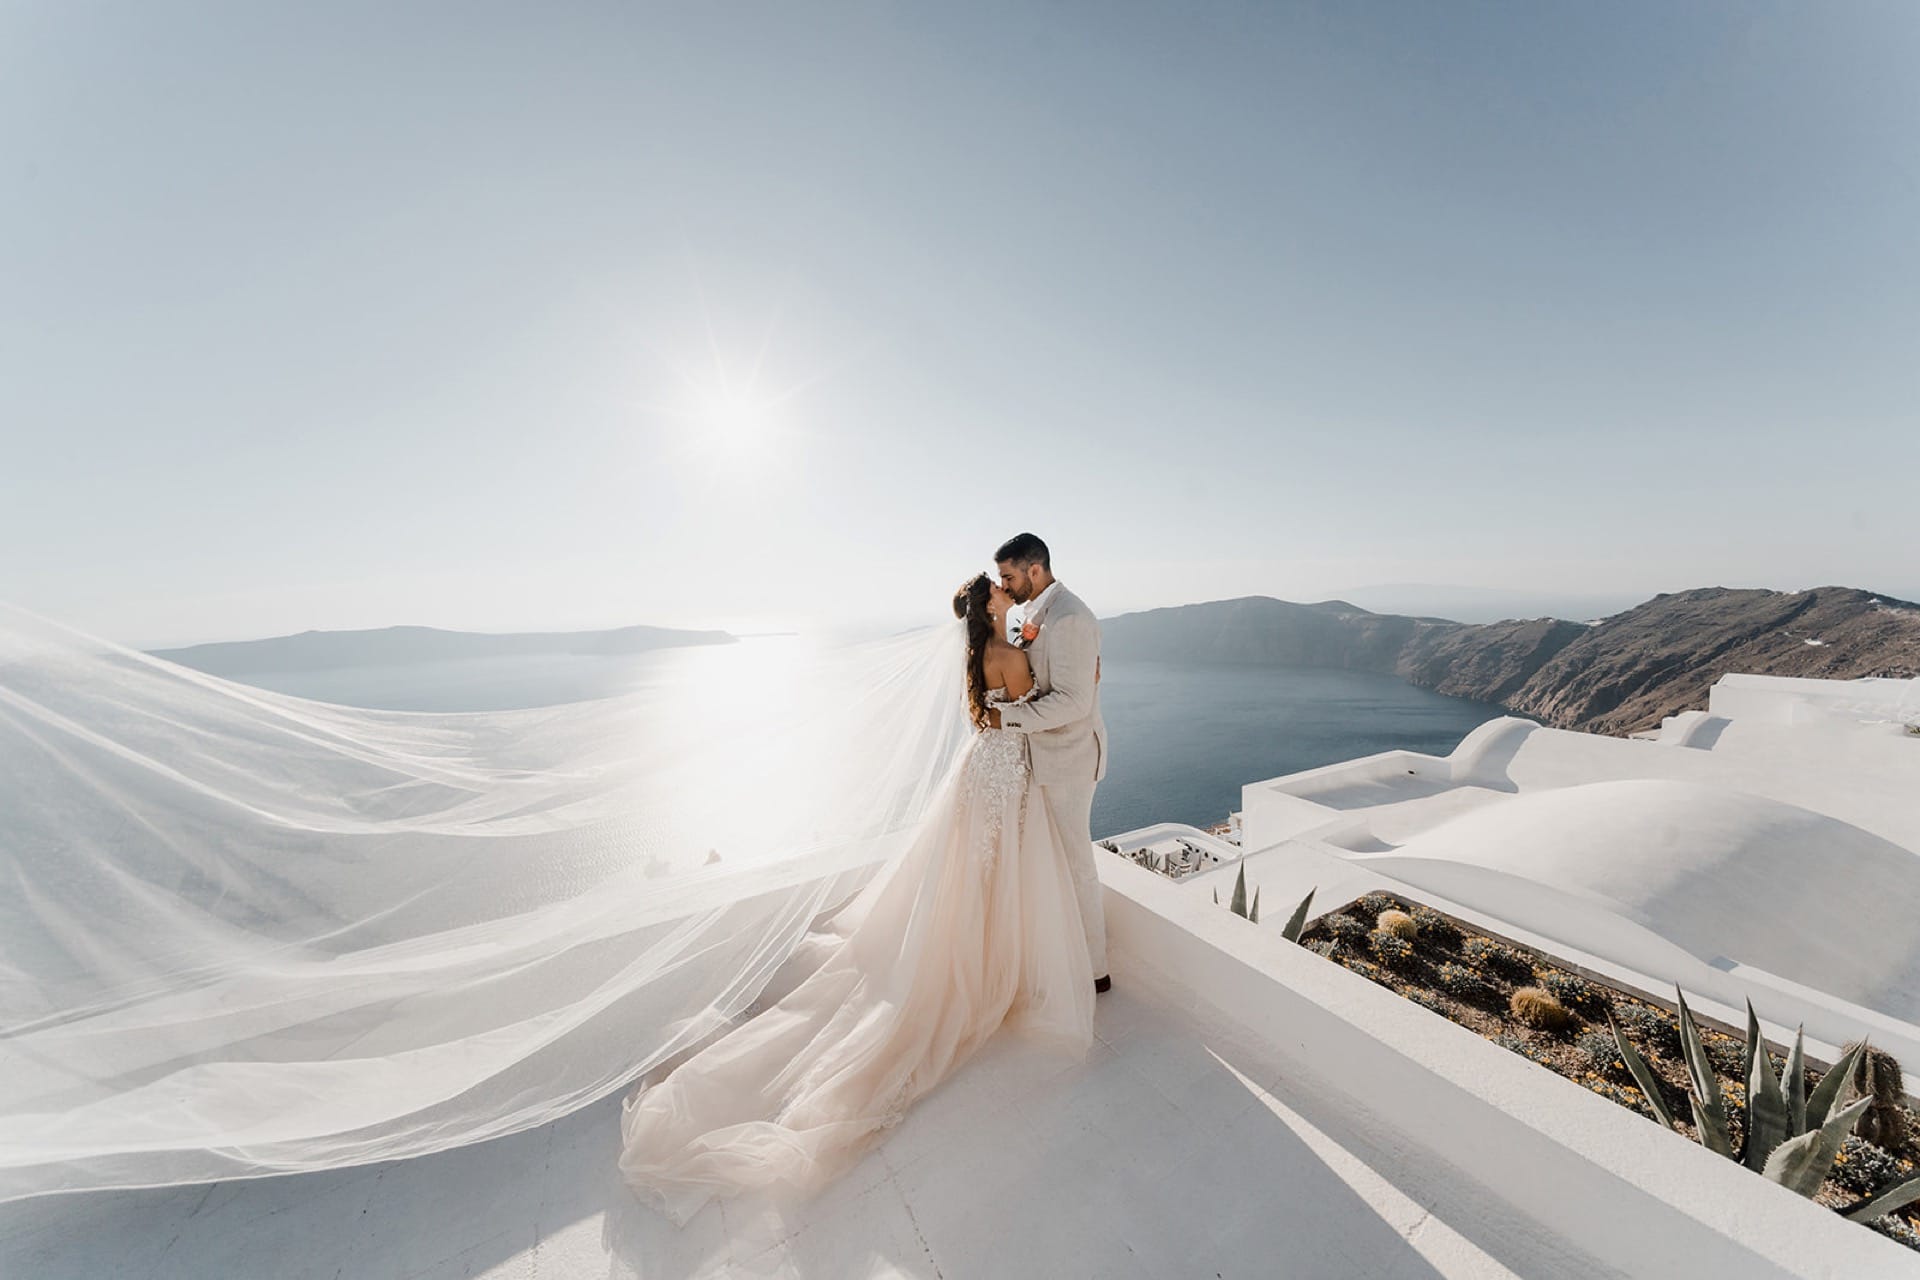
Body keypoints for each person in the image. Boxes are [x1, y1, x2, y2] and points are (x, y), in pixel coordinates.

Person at [617, 571, 1098, 1224]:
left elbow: (991, 713)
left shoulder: (976, 654)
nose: (1010, 594)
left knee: (971, 884)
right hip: (1004, 774)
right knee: (992, 882)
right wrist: (1076, 687)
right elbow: (1034, 714)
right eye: (1003, 590)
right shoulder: (1011, 653)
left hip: (976, 774)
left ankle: (980, 962)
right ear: (991, 603)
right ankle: (990, 973)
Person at [986, 532, 1111, 993]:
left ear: (1034, 569)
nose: (1006, 584)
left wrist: (1006, 718)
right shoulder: (1033, 613)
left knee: (1077, 862)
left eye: (1009, 575)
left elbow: (1075, 703)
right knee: (1051, 863)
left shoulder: (1072, 617)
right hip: (1040, 759)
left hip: (1069, 759)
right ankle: (1063, 953)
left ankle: (1097, 970)